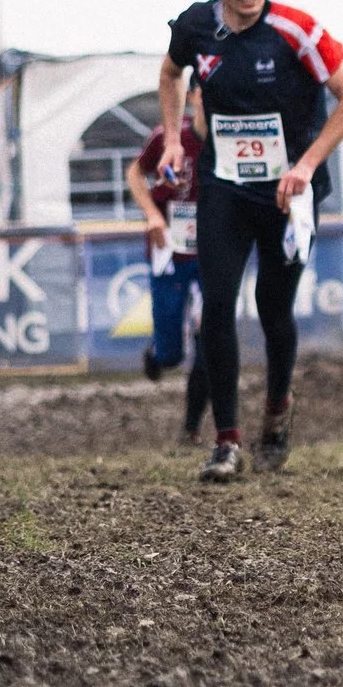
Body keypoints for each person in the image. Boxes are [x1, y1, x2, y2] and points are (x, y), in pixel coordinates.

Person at [158, 0, 343, 483]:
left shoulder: (296, 29)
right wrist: (177, 140)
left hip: (288, 195)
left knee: (275, 308)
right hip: (224, 186)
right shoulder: (197, 25)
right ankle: (226, 441)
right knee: (217, 307)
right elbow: (168, 72)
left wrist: (305, 166)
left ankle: (276, 412)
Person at [125, 86, 211, 444]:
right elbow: (134, 172)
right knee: (172, 352)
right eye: (207, 93)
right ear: (193, 96)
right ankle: (159, 354)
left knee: (210, 340)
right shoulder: (168, 138)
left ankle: (191, 428)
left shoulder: (231, 142)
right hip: (170, 252)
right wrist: (151, 215)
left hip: (213, 255)